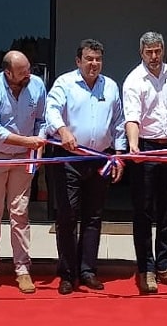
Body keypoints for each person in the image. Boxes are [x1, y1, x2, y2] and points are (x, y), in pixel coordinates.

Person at [46, 39, 125, 295]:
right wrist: (62, 130)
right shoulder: (64, 83)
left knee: (93, 217)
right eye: (89, 59)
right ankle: (68, 273)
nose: (94, 64)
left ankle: (88, 270)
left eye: (98, 59)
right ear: (78, 61)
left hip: (101, 159)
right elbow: (51, 111)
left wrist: (119, 155)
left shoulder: (111, 86)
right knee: (67, 217)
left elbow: (119, 123)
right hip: (69, 158)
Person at [123, 31, 167, 294]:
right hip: (146, 149)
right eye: (149, 51)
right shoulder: (133, 80)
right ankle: (146, 268)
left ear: (163, 51)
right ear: (141, 53)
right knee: (143, 211)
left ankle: (165, 264)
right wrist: (134, 145)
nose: (154, 56)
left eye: (157, 51)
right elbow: (132, 117)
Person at [0, 51, 46, 295]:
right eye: (22, 70)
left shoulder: (36, 85)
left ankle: (23, 269)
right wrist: (28, 141)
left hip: (24, 159)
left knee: (20, 213)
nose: (28, 73)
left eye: (29, 68)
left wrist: (40, 141)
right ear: (8, 72)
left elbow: (41, 120)